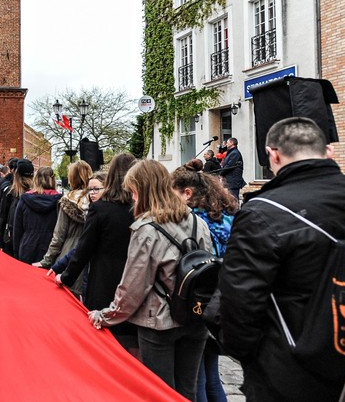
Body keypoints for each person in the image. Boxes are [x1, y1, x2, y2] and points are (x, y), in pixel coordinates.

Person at [213, 117, 345, 401]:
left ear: (273, 155)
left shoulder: (261, 212)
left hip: (289, 367)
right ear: (329, 151)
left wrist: (249, 355)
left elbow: (239, 300)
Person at [88, 159, 211, 400]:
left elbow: (133, 286)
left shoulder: (147, 229)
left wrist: (106, 315)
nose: (132, 198)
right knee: (188, 391)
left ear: (143, 190)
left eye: (133, 191)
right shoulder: (198, 222)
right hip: (195, 316)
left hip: (159, 322)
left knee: (159, 393)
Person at [57, 153, 138, 352]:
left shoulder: (101, 209)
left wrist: (66, 277)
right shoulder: (141, 208)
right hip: (136, 280)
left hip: (104, 280)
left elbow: (84, 248)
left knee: (105, 342)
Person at [171, 165, 238, 402]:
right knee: (212, 375)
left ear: (187, 193)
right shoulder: (230, 217)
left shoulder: (193, 221)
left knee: (197, 377)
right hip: (223, 300)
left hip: (199, 302)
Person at [34, 161, 93, 279]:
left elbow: (59, 235)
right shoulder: (96, 201)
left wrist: (46, 260)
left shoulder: (68, 201)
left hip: (69, 255)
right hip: (91, 256)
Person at [12, 166, 61, 263]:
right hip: (51, 247)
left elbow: (17, 228)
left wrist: (16, 251)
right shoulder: (59, 201)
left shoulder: (25, 199)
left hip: (28, 245)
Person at [0, 159, 34, 258]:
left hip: (12, 241)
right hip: (31, 244)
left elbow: (2, 216)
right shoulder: (38, 195)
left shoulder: (11, 193)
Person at [220, 137, 246, 202]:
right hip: (230, 181)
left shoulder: (235, 153)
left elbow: (228, 166)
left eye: (227, 143)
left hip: (233, 181)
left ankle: (235, 212)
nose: (226, 144)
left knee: (233, 200)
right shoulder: (231, 153)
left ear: (232, 143)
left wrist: (220, 174)